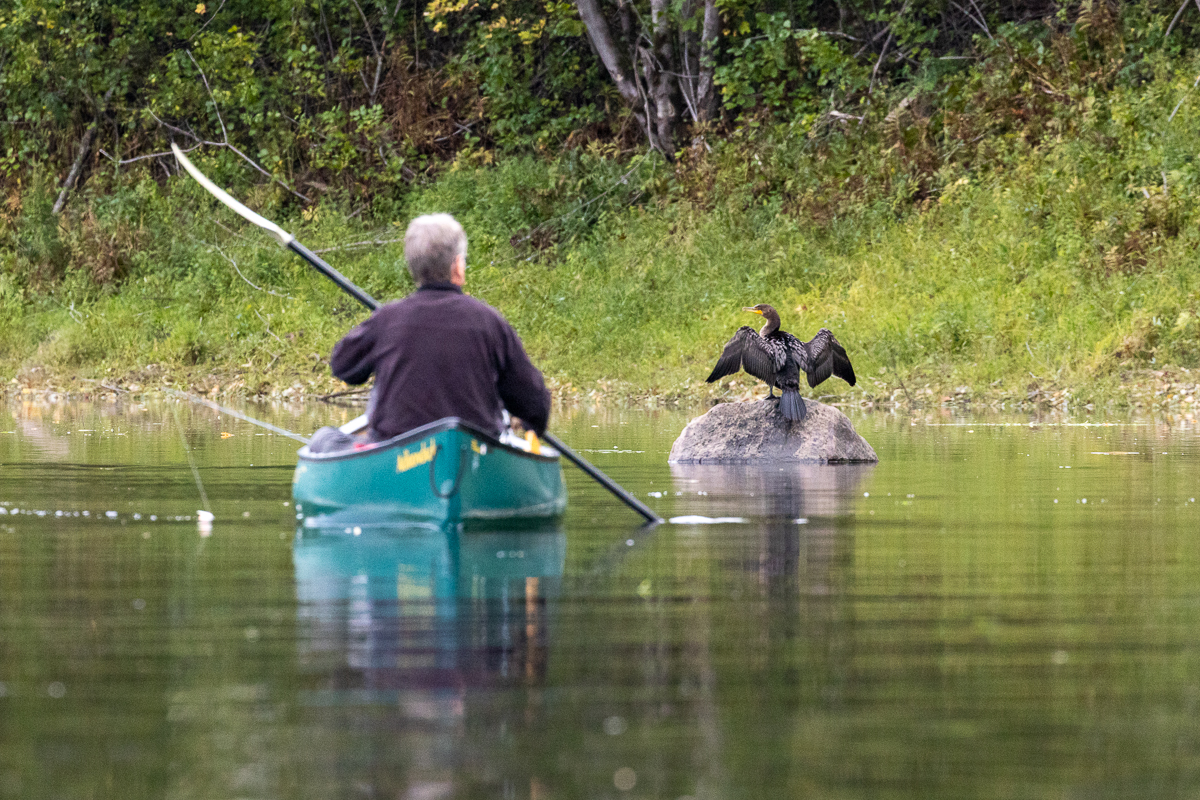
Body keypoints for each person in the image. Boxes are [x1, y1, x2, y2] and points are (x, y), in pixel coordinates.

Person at [317, 213, 550, 449]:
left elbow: (342, 365)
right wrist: (532, 425)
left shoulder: (387, 319)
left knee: (323, 439)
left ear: (413, 267)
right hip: (474, 451)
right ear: (458, 266)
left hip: (396, 452)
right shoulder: (489, 322)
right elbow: (535, 404)